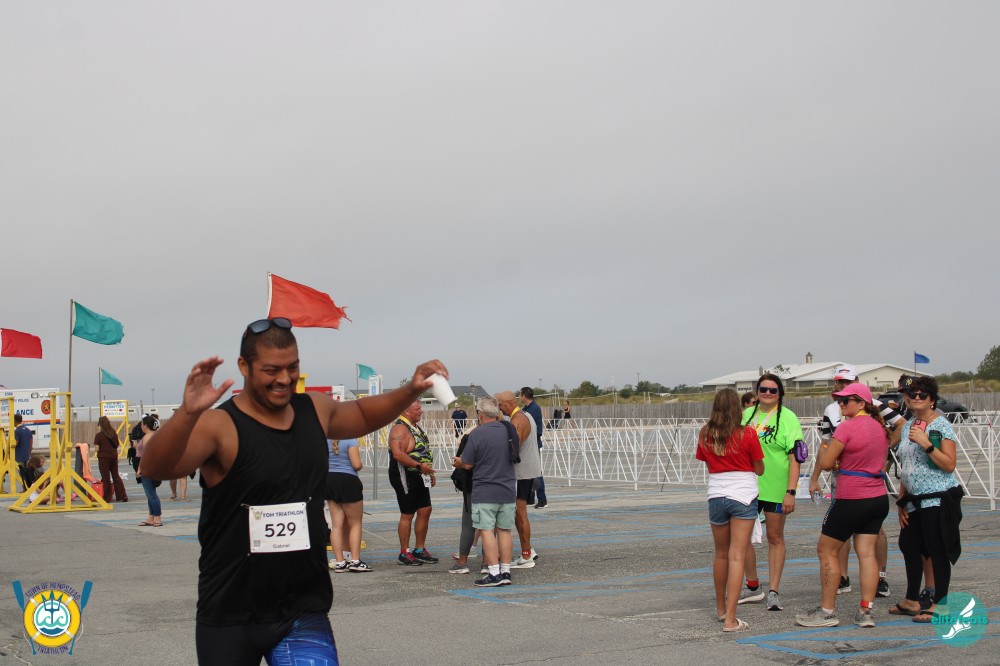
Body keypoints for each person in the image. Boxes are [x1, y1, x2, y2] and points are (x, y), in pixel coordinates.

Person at [140, 316, 447, 664]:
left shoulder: (313, 409)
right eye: (271, 370)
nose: (284, 379)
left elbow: (362, 414)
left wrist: (411, 389)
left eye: (292, 367)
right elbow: (155, 468)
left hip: (302, 608)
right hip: (231, 611)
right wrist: (187, 413)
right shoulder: (219, 425)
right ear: (244, 366)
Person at [795, 383, 890, 628]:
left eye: (846, 400)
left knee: (826, 550)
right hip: (877, 497)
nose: (840, 404)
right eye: (839, 400)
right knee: (867, 553)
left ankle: (827, 611)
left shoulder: (847, 427)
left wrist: (833, 455)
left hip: (852, 497)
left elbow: (827, 463)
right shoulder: (880, 427)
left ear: (862, 403)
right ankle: (866, 611)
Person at [809, 365, 903, 598]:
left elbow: (901, 424)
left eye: (847, 384)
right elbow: (825, 444)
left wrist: (884, 454)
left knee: (830, 546)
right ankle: (855, 593)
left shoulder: (868, 411)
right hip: (860, 486)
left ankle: (831, 606)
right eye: (839, 384)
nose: (842, 396)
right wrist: (814, 477)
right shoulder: (836, 411)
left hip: (857, 487)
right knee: (861, 547)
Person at [890, 376, 964, 624]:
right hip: (913, 498)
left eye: (923, 394)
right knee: (909, 545)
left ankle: (940, 604)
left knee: (936, 548)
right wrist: (902, 500)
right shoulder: (908, 426)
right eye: (912, 394)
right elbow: (907, 465)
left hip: (937, 497)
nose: (917, 398)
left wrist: (926, 444)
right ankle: (912, 599)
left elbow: (949, 465)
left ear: (932, 400)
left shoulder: (940, 425)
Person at [695, 389, 764, 632]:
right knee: (737, 555)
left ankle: (720, 607)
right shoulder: (747, 433)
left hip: (716, 493)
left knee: (721, 554)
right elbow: (759, 468)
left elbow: (708, 463)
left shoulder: (706, 433)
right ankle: (731, 619)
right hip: (743, 493)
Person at [736, 374, 802, 612]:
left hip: (775, 488)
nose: (767, 393)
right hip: (747, 487)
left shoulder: (788, 417)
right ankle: (753, 586)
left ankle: (774, 591)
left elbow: (796, 457)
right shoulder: (746, 415)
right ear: (757, 391)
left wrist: (791, 491)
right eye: (763, 389)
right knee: (742, 538)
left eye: (773, 390)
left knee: (775, 537)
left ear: (780, 393)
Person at [454, 396, 517, 587]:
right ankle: (505, 571)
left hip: (485, 490)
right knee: (504, 531)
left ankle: (493, 572)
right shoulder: (508, 430)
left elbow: (467, 463)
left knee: (487, 531)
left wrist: (459, 463)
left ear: (480, 414)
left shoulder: (477, 434)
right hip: (507, 489)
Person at [387, 401, 439, 566]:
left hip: (419, 474)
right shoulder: (399, 429)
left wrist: (428, 471)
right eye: (418, 409)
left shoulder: (414, 427)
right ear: (406, 411)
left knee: (425, 510)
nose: (421, 411)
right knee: (407, 513)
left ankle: (419, 549)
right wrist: (419, 466)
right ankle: (404, 552)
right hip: (405, 475)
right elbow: (398, 454)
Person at [497, 391, 541, 568]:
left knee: (520, 513)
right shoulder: (525, 415)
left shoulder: (517, 420)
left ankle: (526, 554)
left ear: (509, 403)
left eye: (500, 405)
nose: (499, 408)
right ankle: (528, 549)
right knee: (520, 513)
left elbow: (513, 448)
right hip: (527, 471)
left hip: (521, 473)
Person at [326, 438, 370, 573]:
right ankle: (355, 561)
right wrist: (361, 465)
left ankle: (340, 562)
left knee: (336, 525)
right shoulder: (350, 439)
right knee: (355, 524)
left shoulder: (325, 439)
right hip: (348, 480)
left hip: (330, 480)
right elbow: (356, 464)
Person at [519, 387, 548, 509]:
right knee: (528, 472)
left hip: (534, 444)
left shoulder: (534, 409)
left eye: (520, 395)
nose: (520, 397)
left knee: (536, 472)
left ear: (524, 396)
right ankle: (530, 498)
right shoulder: (525, 409)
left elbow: (535, 430)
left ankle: (542, 499)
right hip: (527, 445)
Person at [136, 415, 163, 527]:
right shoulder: (156, 435)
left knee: (151, 495)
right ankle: (151, 517)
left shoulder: (147, 437)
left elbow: (146, 454)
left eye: (142, 424)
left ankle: (157, 517)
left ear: (145, 425)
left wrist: (140, 469)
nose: (141, 426)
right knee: (151, 493)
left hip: (148, 467)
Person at [95, 416, 128, 502]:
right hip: (113, 457)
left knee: (106, 478)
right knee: (116, 476)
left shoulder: (99, 436)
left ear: (100, 425)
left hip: (103, 458)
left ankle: (107, 498)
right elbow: (116, 445)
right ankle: (122, 496)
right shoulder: (113, 434)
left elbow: (97, 449)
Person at [14, 414, 34, 492]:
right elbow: (31, 442)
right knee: (27, 472)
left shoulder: (17, 431)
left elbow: (16, 443)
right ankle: (27, 487)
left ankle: (25, 488)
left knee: (21, 473)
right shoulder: (27, 429)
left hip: (19, 456)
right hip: (26, 455)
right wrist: (29, 452)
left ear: (14, 420)